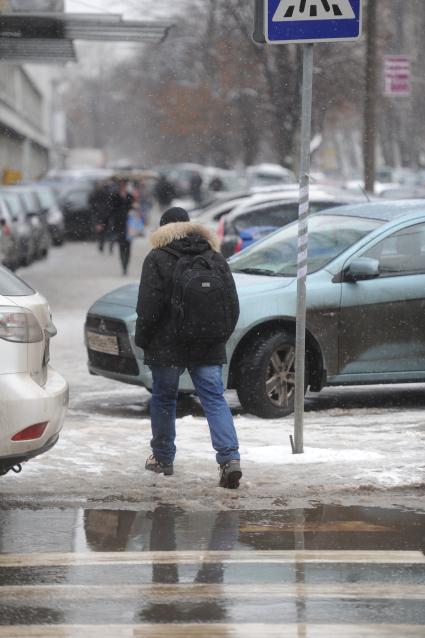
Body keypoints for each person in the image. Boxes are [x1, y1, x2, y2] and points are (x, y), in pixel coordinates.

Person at [135, 206, 242, 489]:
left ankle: (163, 458)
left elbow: (148, 307)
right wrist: (217, 335)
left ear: (162, 229)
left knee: (164, 399)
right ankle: (230, 460)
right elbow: (232, 305)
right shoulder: (213, 256)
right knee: (214, 399)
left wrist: (143, 339)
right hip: (207, 344)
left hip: (166, 345)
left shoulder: (157, 258)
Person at [109, 179, 134, 275]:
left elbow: (132, 207)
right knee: (121, 246)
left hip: (129, 225)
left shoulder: (129, 196)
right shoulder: (114, 196)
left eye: (124, 184)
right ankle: (123, 266)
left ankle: (126, 265)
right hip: (119, 225)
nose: (123, 186)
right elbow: (112, 209)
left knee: (128, 247)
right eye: (121, 184)